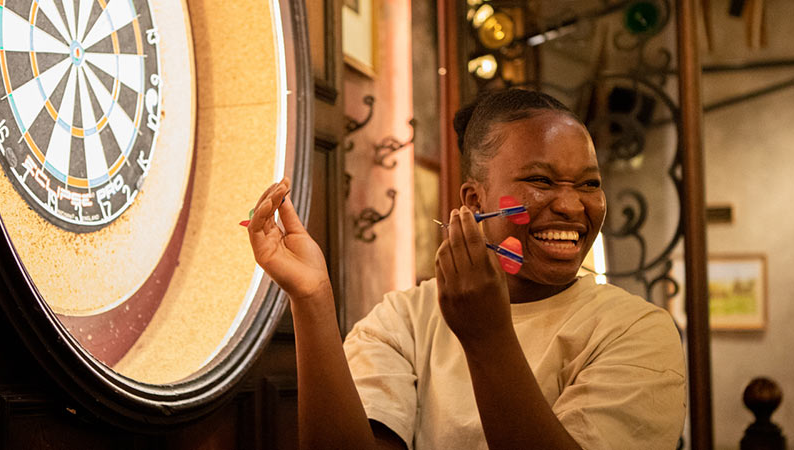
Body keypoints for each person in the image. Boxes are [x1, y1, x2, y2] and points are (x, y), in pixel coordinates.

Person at [246, 89, 686, 450]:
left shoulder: (634, 330)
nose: (572, 206)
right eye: (541, 181)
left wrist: (487, 336)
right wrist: (311, 298)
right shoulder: (405, 320)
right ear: (475, 201)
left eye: (589, 184)